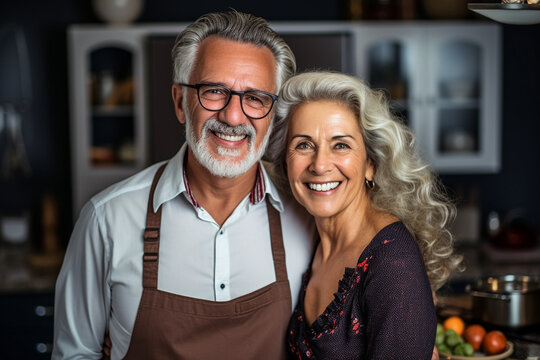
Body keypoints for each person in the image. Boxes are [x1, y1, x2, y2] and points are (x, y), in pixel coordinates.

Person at [52, 11, 316, 359]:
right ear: (180, 102)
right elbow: (75, 354)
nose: (233, 117)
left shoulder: (307, 215)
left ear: (272, 113)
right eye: (214, 91)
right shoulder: (107, 219)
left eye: (255, 98)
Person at [266, 71, 462, 359]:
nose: (320, 165)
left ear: (371, 164)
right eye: (304, 145)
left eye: (341, 145)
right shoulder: (311, 238)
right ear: (286, 161)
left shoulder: (393, 262)